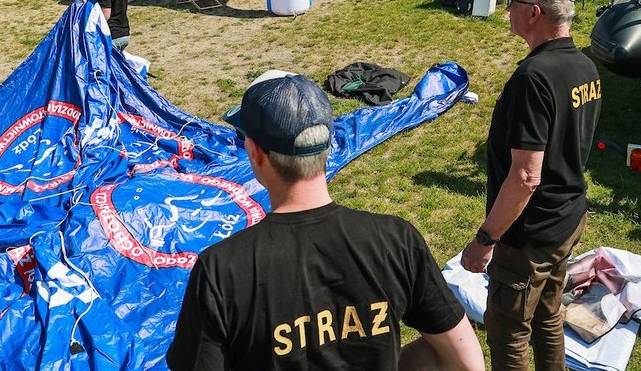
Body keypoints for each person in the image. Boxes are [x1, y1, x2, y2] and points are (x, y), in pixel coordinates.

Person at [168, 72, 484, 371]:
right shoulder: (395, 239)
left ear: (255, 153)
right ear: (329, 146)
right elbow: (466, 361)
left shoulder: (222, 269)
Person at [461, 0, 601, 371]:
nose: (508, 10)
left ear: (534, 12)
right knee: (548, 314)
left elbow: (525, 176)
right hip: (567, 218)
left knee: (508, 333)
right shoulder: (584, 66)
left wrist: (485, 239)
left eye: (513, 2)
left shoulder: (534, 77)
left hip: (530, 235)